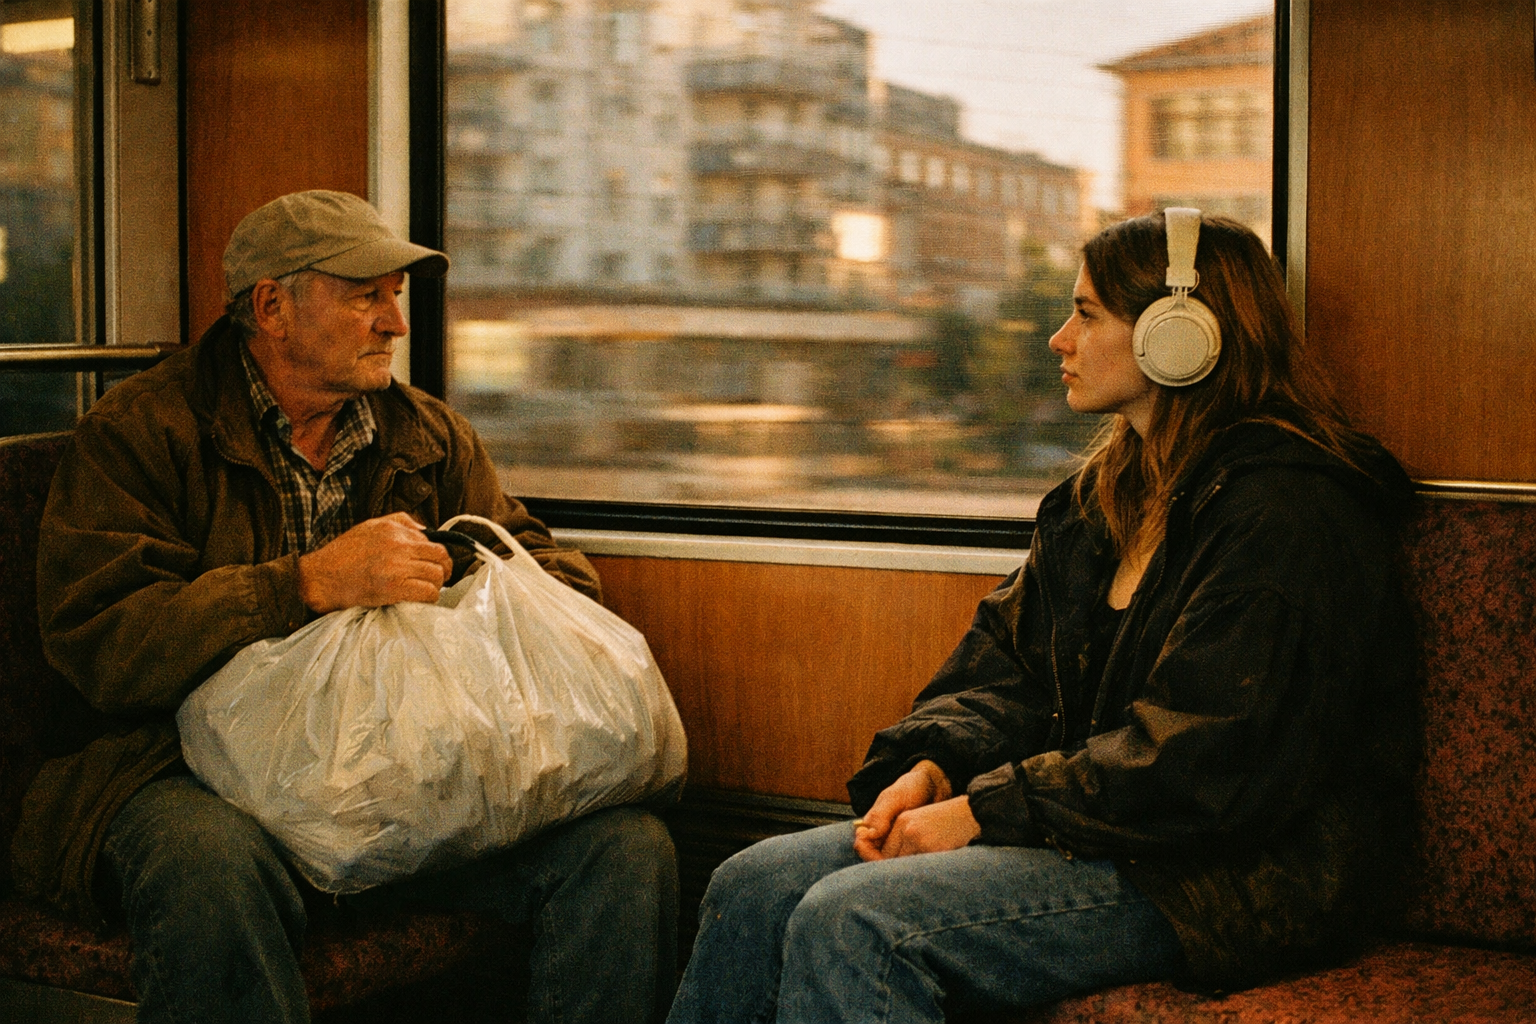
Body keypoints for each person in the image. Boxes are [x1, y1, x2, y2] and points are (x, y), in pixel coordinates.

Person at [665, 211, 1416, 1023]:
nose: (1058, 339)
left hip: (1227, 871)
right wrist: (938, 766)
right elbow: (1007, 671)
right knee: (753, 883)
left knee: (859, 920)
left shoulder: (1289, 513)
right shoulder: (1102, 501)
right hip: (1098, 825)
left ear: (1180, 335)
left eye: (1087, 314)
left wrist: (985, 810)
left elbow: (1207, 762)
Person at [14, 190, 677, 1024]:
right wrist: (303, 586)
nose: (395, 323)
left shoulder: (429, 435)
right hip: (181, 767)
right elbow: (102, 641)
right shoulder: (142, 432)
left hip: (400, 762)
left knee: (620, 849)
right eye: (367, 295)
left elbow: (546, 571)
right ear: (272, 308)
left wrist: (465, 585)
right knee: (208, 863)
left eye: (395, 296)